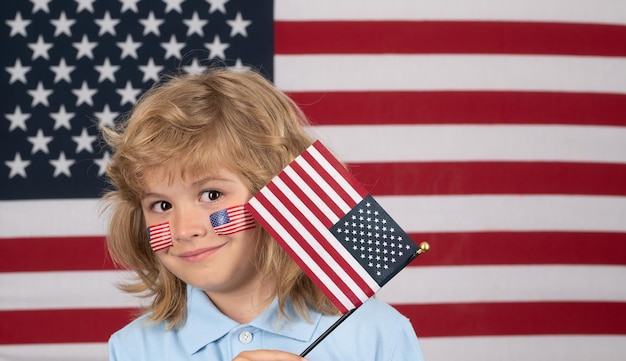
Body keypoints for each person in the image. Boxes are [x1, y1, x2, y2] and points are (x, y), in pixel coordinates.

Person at [101, 67, 425, 361]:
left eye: (211, 195)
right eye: (161, 205)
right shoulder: (133, 349)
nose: (184, 230)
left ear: (276, 194)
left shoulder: (377, 336)